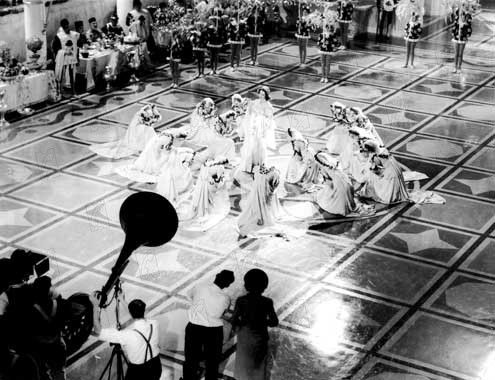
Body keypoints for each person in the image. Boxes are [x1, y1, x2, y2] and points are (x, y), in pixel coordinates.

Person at [182, 270, 235, 380]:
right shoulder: (225, 298)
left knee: (191, 359)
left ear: (216, 276)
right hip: (214, 331)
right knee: (212, 361)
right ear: (228, 285)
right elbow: (223, 312)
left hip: (194, 327)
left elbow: (189, 295)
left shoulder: (199, 287)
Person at [93, 298, 162, 380]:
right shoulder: (154, 323)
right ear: (144, 310)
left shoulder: (128, 335)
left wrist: (95, 306)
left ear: (130, 313)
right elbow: (137, 315)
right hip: (156, 366)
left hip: (138, 372)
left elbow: (98, 330)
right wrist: (122, 299)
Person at [232, 269, 278, 380]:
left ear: (246, 284)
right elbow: (274, 322)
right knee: (258, 366)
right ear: (265, 286)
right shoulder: (267, 302)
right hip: (260, 338)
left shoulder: (241, 300)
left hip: (244, 338)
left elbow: (234, 320)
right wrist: (262, 322)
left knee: (242, 366)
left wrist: (241, 326)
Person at [171, 98, 236, 165]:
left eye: (212, 106)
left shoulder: (212, 116)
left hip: (208, 133)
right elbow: (198, 123)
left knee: (226, 142)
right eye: (210, 106)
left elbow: (214, 124)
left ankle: (217, 157)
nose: (211, 108)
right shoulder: (199, 113)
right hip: (200, 133)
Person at [89, 104, 162, 158]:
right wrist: (147, 123)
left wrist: (149, 122)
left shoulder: (148, 113)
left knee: (148, 130)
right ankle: (143, 144)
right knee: (147, 130)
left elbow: (154, 120)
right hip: (138, 126)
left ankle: (146, 143)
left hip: (142, 125)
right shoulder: (142, 114)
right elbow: (141, 121)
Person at [238, 86, 276, 174]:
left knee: (259, 147)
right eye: (260, 94)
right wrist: (250, 108)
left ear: (266, 95)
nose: (261, 96)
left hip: (261, 129)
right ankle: (249, 166)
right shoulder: (255, 102)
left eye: (263, 94)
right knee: (251, 146)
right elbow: (249, 113)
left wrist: (260, 116)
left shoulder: (268, 106)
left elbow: (269, 119)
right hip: (253, 127)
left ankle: (258, 166)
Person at [238, 165, 282, 237]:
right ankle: (259, 219)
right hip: (264, 195)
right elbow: (273, 189)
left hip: (261, 194)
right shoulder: (268, 180)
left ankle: (259, 218)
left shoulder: (261, 179)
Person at [314, 152, 359, 216]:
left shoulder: (324, 169)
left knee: (325, 197)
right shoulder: (335, 167)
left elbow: (329, 184)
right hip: (347, 184)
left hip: (339, 189)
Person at [447, 0, 478, 73]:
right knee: (456, 53)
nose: (464, 6)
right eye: (463, 5)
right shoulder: (457, 13)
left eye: (465, 5)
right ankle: (454, 67)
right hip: (456, 35)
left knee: (460, 53)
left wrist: (466, 32)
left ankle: (459, 67)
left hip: (463, 36)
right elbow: (452, 18)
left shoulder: (468, 15)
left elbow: (469, 26)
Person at [286, 128, 320, 192]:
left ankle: (299, 178)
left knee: (294, 162)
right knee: (293, 161)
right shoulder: (298, 141)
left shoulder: (297, 142)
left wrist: (302, 161)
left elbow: (302, 154)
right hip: (307, 157)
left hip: (307, 159)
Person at [52, 18, 79, 96]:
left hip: (71, 58)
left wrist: (76, 56)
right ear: (62, 27)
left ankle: (73, 90)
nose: (67, 28)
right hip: (63, 58)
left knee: (72, 73)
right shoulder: (59, 37)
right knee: (62, 73)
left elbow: (76, 45)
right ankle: (61, 90)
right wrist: (63, 52)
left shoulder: (73, 35)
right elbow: (55, 48)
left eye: (67, 26)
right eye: (65, 27)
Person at [396, 0, 424, 68]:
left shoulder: (417, 24)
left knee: (412, 51)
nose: (413, 18)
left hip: (414, 38)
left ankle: (411, 64)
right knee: (407, 50)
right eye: (412, 17)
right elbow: (406, 28)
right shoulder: (409, 23)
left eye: (414, 17)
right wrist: (406, 32)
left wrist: (417, 34)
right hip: (408, 36)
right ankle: (406, 63)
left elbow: (419, 30)